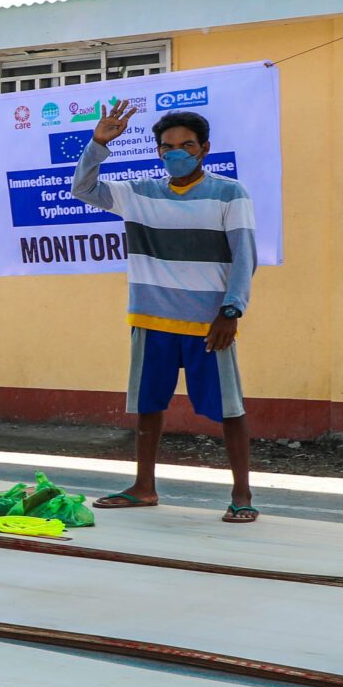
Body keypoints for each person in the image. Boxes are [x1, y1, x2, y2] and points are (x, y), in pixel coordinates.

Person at [72, 100, 257, 522]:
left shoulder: (230, 193)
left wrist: (231, 311)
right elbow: (82, 190)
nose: (177, 152)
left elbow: (244, 256)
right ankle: (143, 487)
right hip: (151, 318)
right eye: (168, 146)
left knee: (228, 408)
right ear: (158, 151)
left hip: (209, 323)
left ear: (204, 148)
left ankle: (243, 494)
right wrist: (98, 144)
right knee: (149, 406)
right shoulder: (139, 194)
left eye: (187, 145)